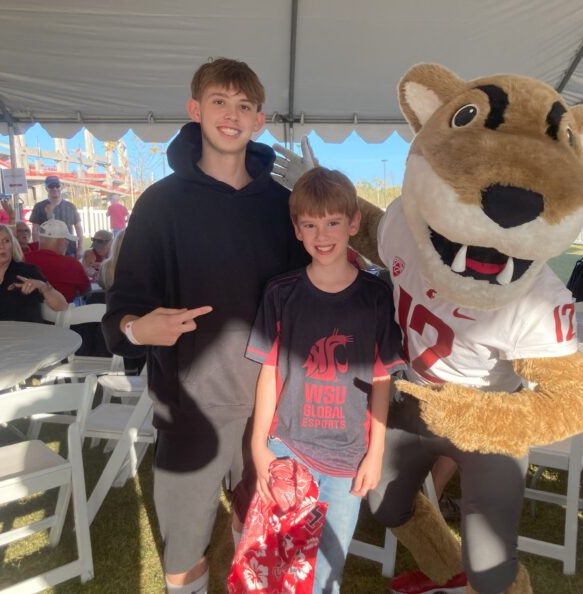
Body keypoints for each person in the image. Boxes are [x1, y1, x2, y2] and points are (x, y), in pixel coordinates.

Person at [102, 58, 309, 594]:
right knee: (183, 553)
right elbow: (121, 307)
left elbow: (310, 296)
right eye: (220, 101)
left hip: (269, 408)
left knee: (256, 534)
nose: (232, 115)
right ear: (196, 111)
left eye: (245, 106)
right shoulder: (159, 205)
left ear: (259, 120)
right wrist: (135, 329)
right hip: (190, 409)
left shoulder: (284, 208)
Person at [247, 167, 405, 593]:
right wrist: (258, 445)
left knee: (326, 571)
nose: (323, 234)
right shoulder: (280, 293)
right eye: (311, 224)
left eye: (333, 222)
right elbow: (268, 370)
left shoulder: (376, 296)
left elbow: (381, 379)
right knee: (283, 564)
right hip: (288, 448)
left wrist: (376, 452)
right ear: (297, 230)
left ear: (354, 223)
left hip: (347, 460)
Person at [0, 223, 67, 322]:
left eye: (6, 241)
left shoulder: (28, 271)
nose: (2, 246)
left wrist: (42, 287)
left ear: (12, 245)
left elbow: (62, 306)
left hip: (26, 335)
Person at [25, 220, 91, 303]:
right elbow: (86, 290)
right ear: (61, 241)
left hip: (32, 312)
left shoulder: (23, 259)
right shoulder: (72, 264)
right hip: (63, 313)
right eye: (66, 240)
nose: (67, 243)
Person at [29, 175, 84, 257]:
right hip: (48, 251)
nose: (55, 189)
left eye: (57, 186)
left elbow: (78, 228)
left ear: (60, 187)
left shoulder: (70, 206)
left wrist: (80, 248)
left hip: (69, 250)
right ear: (46, 188)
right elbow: (35, 230)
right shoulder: (39, 206)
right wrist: (38, 249)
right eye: (51, 186)